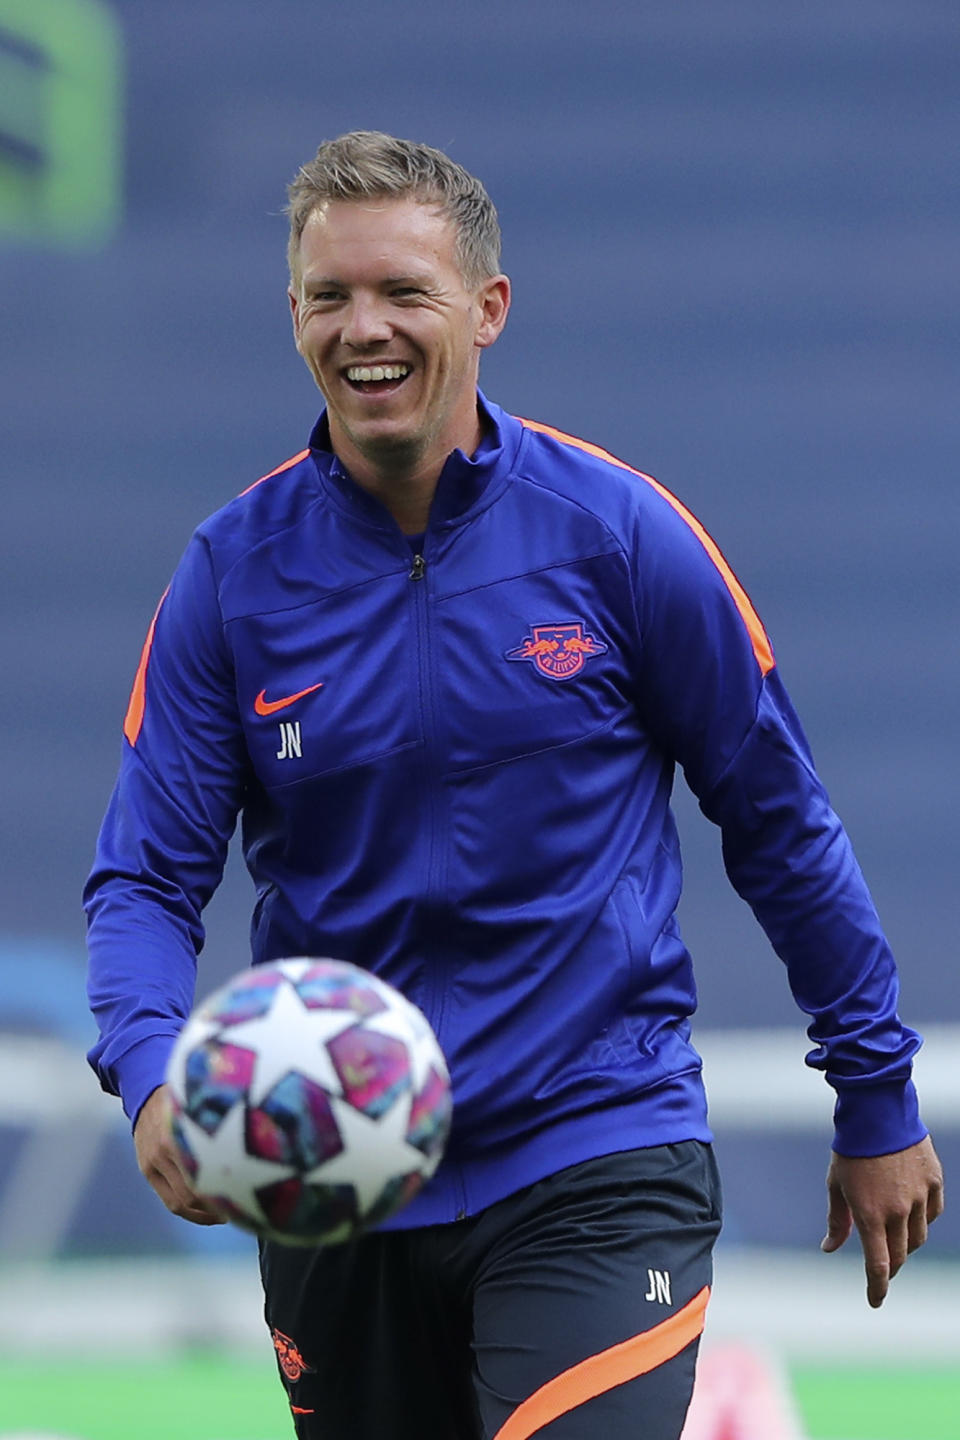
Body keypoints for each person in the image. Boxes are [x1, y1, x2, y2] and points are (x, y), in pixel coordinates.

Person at [85, 131, 943, 1440]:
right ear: (296, 316)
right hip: (331, 1181)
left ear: (486, 310)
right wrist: (152, 1075)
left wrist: (876, 1094)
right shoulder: (230, 576)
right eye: (330, 296)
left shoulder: (621, 538)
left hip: (595, 1149)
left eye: (402, 293)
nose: (364, 328)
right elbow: (145, 875)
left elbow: (779, 820)